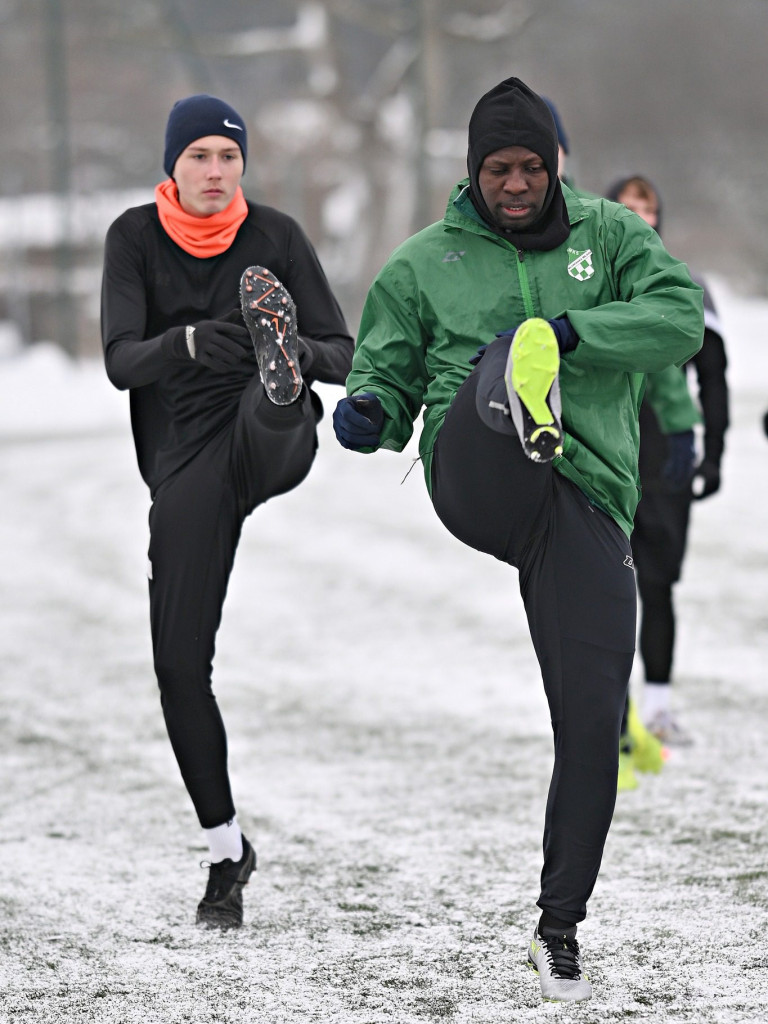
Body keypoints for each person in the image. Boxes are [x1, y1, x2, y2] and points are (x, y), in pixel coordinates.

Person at [332, 77, 703, 1002]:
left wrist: (573, 332)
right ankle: (515, 384)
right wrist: (367, 413)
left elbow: (679, 317)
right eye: (498, 168)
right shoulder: (425, 262)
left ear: (556, 166)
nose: (516, 183)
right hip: (480, 475)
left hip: (582, 497)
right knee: (499, 363)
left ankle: (559, 927)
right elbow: (383, 376)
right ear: (473, 170)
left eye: (532, 166)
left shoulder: (613, 238)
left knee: (590, 719)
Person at [101, 94, 353, 929]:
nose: (215, 172)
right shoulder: (133, 238)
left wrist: (291, 355)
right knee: (178, 665)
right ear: (172, 163)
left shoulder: (275, 237)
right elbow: (118, 360)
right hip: (183, 459)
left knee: (275, 405)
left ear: (245, 166)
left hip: (259, 425)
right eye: (200, 156)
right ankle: (225, 850)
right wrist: (187, 343)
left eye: (229, 157)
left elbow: (344, 353)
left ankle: (279, 382)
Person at [607, 175, 730, 748]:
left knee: (657, 586)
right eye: (627, 206)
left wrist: (713, 454)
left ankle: (656, 709)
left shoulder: (686, 286)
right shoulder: (592, 282)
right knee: (605, 587)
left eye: (648, 206)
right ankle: (614, 713)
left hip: (667, 458)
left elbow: (713, 378)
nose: (639, 214)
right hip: (607, 452)